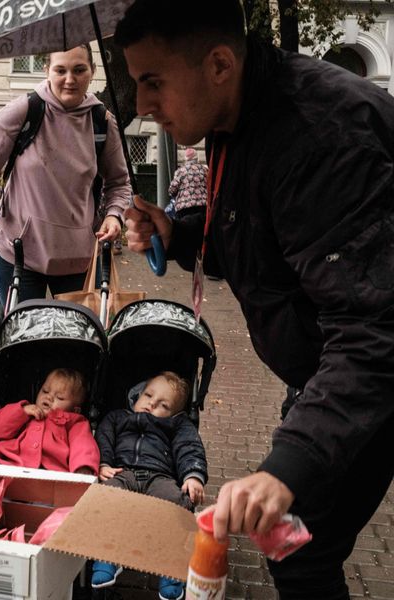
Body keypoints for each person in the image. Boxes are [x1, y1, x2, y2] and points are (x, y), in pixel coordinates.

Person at [116, 2, 394, 598]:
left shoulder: (321, 138)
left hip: (366, 372)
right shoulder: (233, 118)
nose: (141, 104)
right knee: (296, 547)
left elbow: (373, 329)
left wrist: (289, 465)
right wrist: (179, 234)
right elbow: (261, 239)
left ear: (219, 64)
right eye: (136, 83)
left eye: (153, 81)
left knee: (301, 548)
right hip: (328, 369)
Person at [0, 45, 130, 304]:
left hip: (79, 260)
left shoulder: (102, 122)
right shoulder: (23, 111)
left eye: (79, 70)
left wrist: (114, 215)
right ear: (47, 71)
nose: (70, 79)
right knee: (19, 330)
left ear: (92, 71)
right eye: (60, 70)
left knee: (75, 331)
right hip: (18, 258)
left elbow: (119, 182)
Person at [92, 372, 206, 597]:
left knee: (176, 503)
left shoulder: (177, 425)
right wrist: (104, 463)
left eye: (163, 405)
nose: (151, 404)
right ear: (138, 394)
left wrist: (193, 475)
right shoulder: (118, 417)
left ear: (174, 413)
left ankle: (171, 567)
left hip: (160, 477)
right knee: (106, 495)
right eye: (148, 395)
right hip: (122, 472)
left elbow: (189, 448)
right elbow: (103, 438)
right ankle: (106, 556)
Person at [0, 368, 99, 474]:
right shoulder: (27, 413)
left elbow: (83, 444)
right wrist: (22, 411)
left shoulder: (75, 422)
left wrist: (83, 467)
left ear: (75, 410)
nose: (48, 397)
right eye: (45, 391)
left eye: (59, 397)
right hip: (13, 465)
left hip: (52, 474)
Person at [166, 147, 207, 221]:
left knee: (185, 227)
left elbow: (172, 189)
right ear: (197, 158)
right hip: (202, 206)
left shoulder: (180, 171)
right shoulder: (204, 170)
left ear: (185, 159)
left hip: (184, 208)